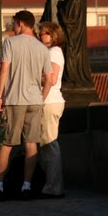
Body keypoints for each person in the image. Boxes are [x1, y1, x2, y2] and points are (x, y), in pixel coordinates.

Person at [0, 10, 52, 201]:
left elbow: (4, 69)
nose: (12, 27)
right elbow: (49, 79)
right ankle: (27, 187)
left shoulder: (10, 42)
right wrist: (41, 98)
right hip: (34, 100)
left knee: (7, 143)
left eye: (13, 24)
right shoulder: (42, 48)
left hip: (15, 99)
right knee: (31, 144)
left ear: (20, 24)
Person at [37, 21, 66, 198]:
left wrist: (33, 75)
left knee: (49, 144)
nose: (41, 35)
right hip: (49, 100)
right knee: (46, 144)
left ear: (53, 35)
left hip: (50, 100)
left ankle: (53, 187)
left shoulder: (54, 52)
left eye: (45, 33)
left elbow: (52, 79)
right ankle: (50, 185)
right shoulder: (49, 52)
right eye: (40, 33)